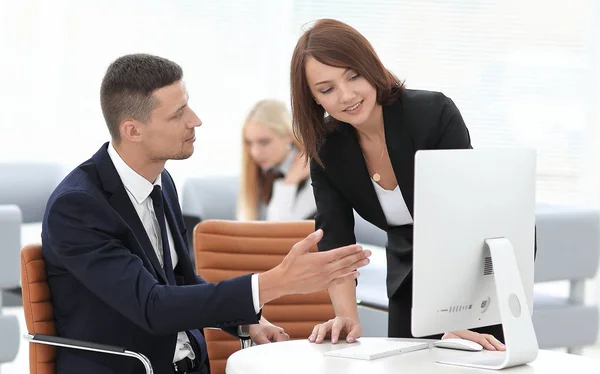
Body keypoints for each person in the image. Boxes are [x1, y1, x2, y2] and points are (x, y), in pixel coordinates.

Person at [41, 53, 371, 374]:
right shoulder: (78, 207)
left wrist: (244, 318)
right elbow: (153, 306)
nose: (195, 121)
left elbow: (179, 281)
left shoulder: (160, 182)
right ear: (132, 131)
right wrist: (276, 282)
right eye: (178, 114)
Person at [289, 19, 506, 351]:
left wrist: (456, 315)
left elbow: (463, 218)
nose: (346, 95)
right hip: (409, 277)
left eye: (353, 76)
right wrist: (347, 316)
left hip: (474, 273)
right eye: (327, 89)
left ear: (370, 67)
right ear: (314, 99)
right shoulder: (326, 149)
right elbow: (336, 239)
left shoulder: (432, 114)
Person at [238, 99, 316, 221]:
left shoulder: (313, 172)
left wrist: (291, 181)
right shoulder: (260, 171)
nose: (255, 152)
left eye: (264, 142)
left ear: (289, 136)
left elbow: (279, 227)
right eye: (249, 143)